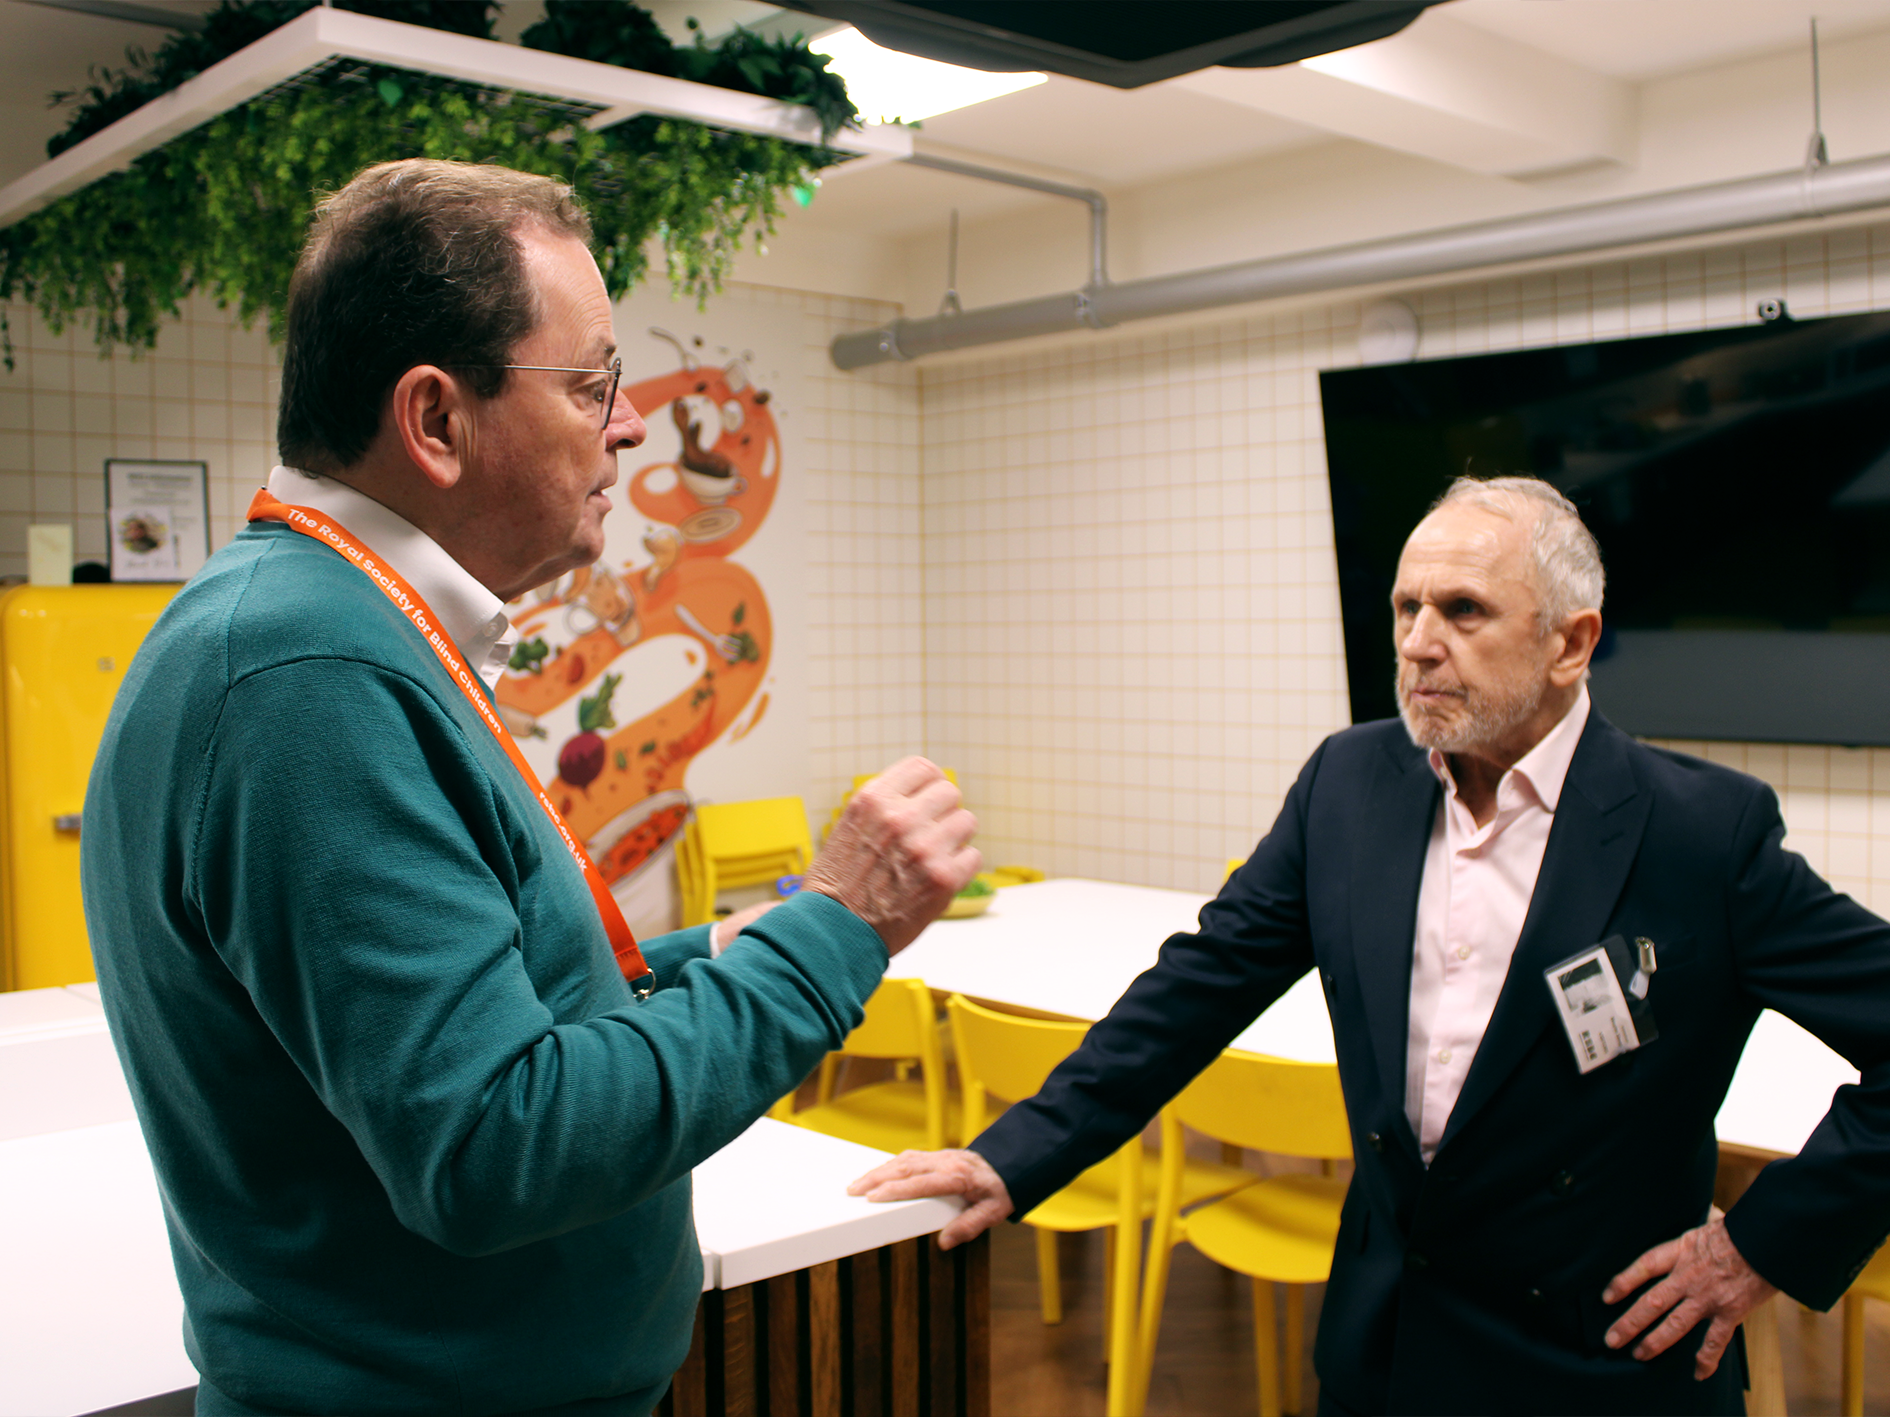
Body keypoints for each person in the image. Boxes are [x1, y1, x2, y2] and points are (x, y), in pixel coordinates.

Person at [81, 159, 979, 1417]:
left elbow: (467, 1007)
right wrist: (835, 927)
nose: (628, 426)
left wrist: (700, 952)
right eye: (594, 383)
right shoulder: (307, 673)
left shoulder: (322, 630)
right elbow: (495, 1145)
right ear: (437, 421)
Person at [853, 475, 1890, 1415]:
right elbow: (1197, 988)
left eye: (1464, 611)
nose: (1417, 641)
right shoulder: (1348, 785)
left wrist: (1757, 1245)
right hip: (1388, 1342)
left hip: (1599, 1359)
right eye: (1406, 608)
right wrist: (1012, 1154)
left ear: (1572, 643)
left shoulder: (1700, 832)